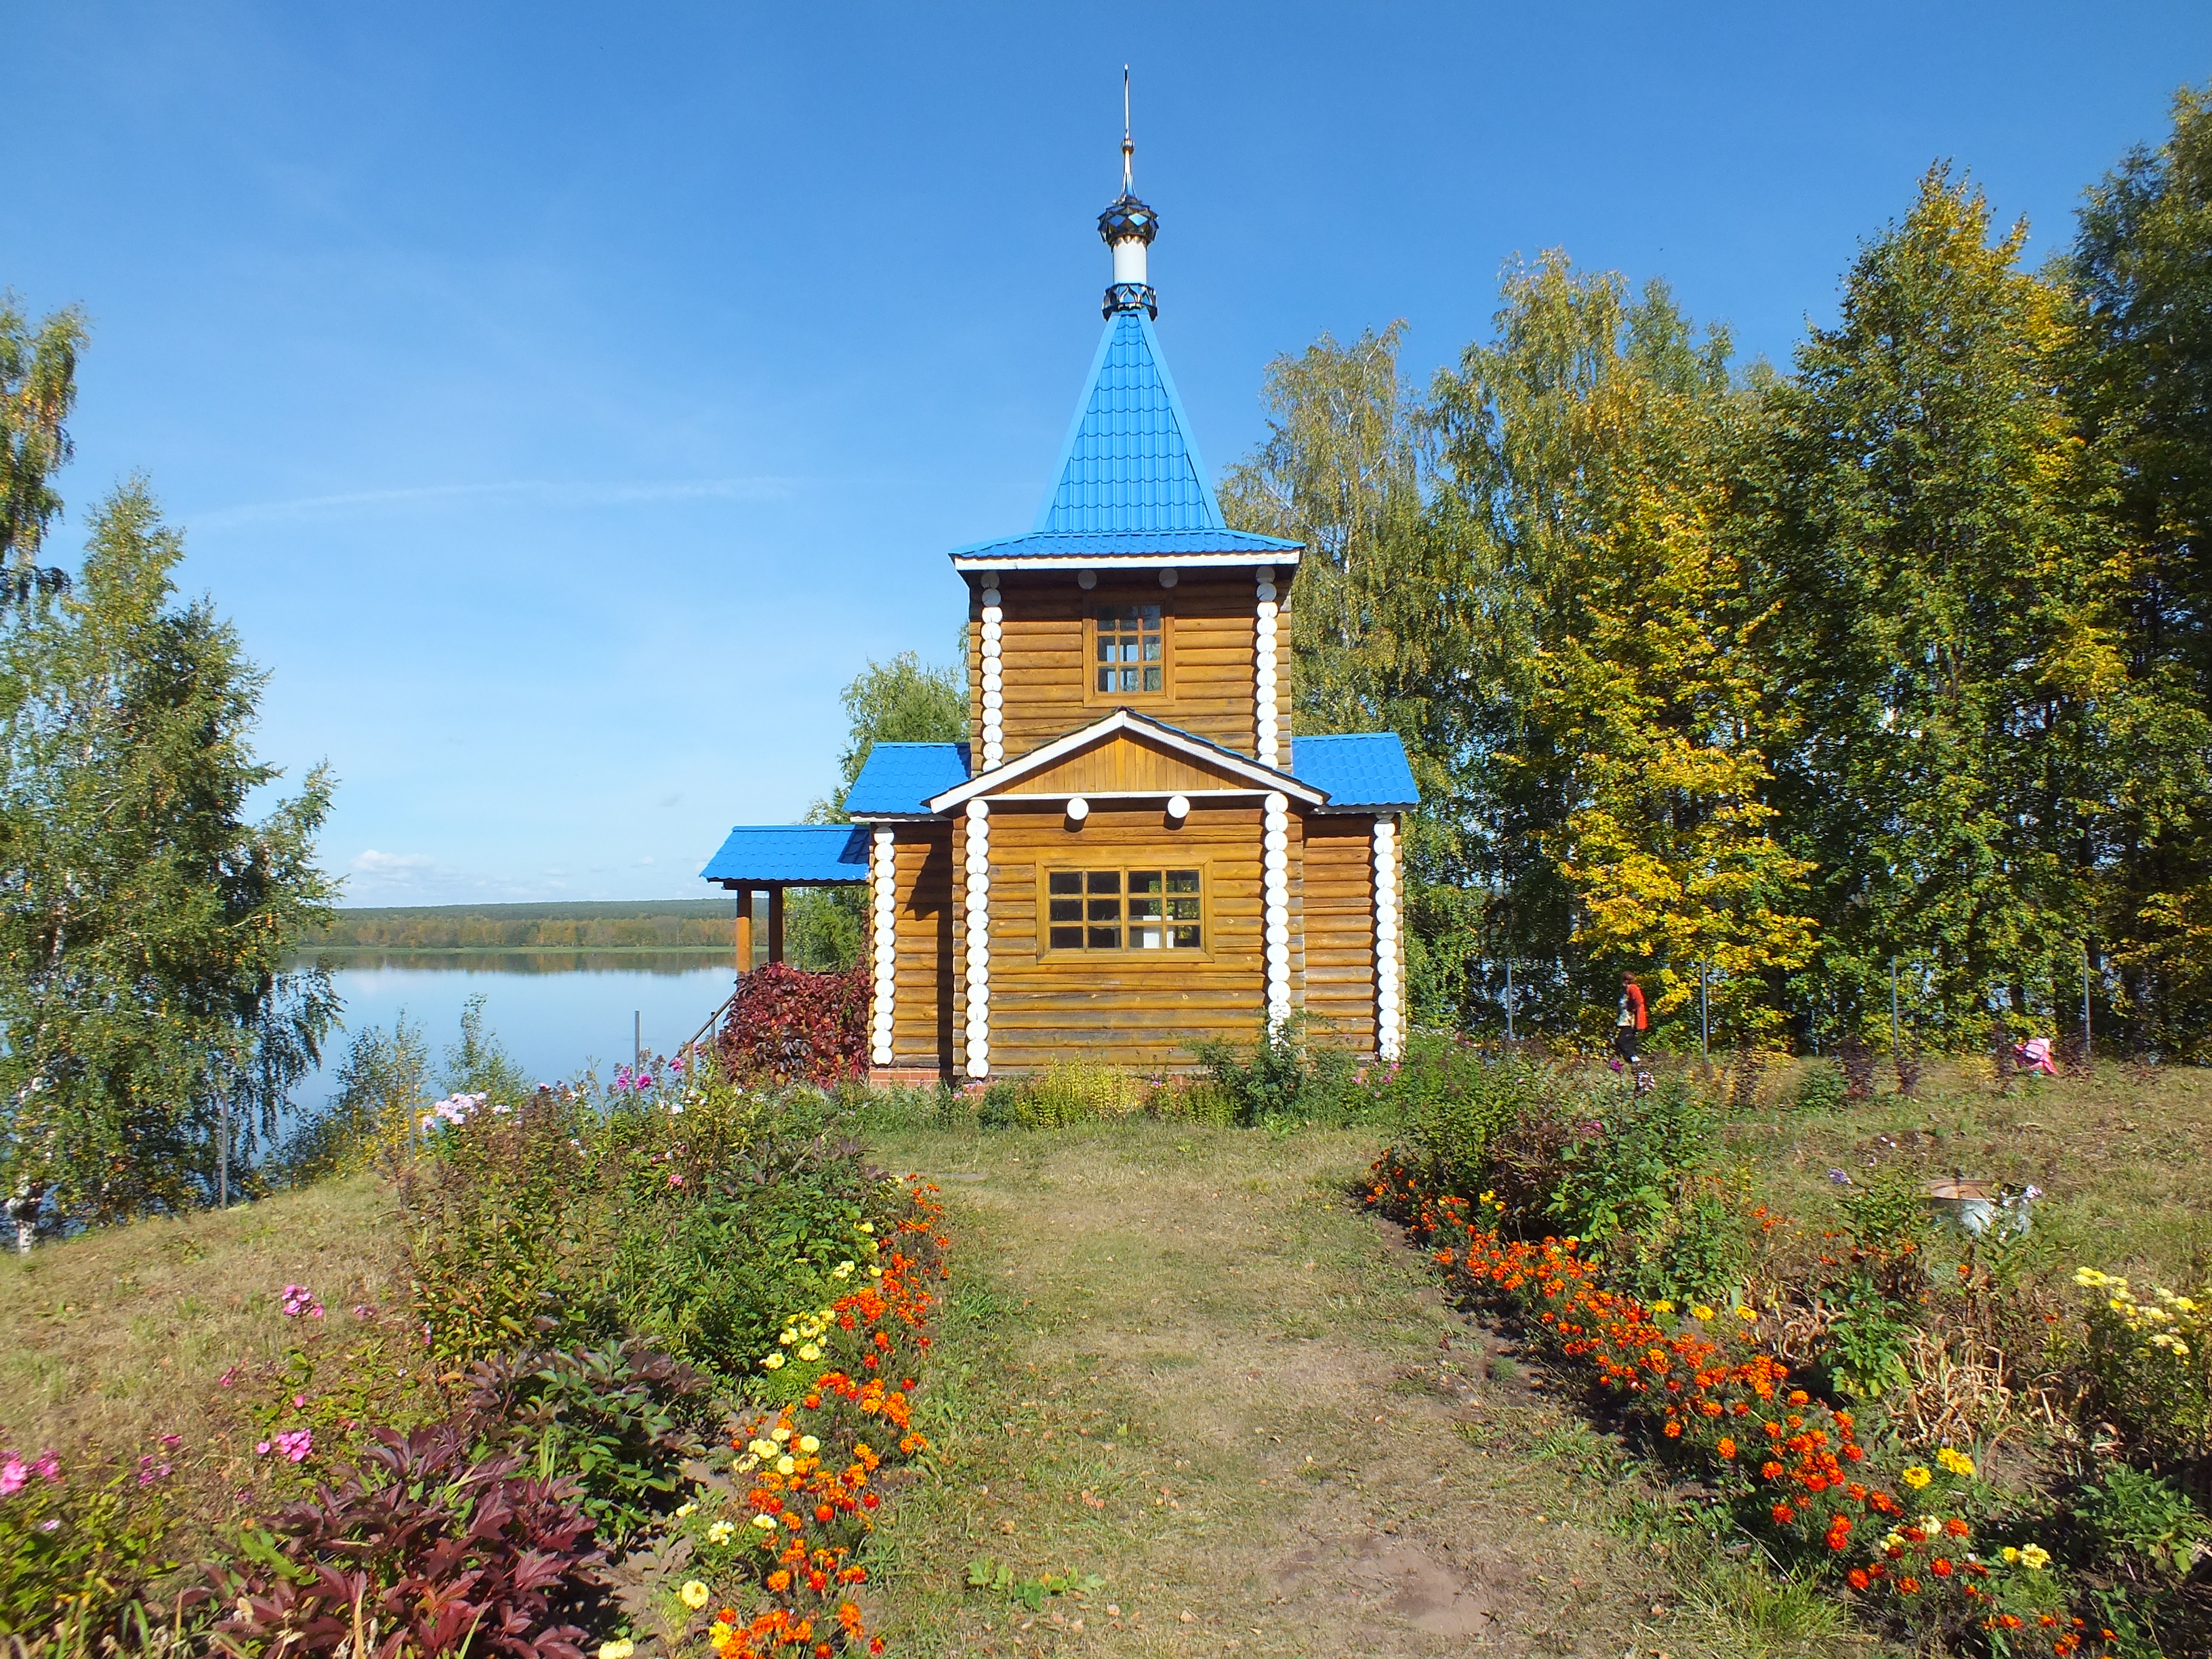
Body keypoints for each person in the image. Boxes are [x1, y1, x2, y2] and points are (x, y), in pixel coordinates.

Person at [1614, 972, 1647, 1067]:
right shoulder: (1627, 990)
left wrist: (1631, 1007)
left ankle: (1634, 1059)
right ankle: (1634, 1064)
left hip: (1630, 1021)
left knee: (1621, 1041)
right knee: (1629, 1042)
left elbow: (1639, 1001)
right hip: (1625, 1021)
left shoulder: (1633, 988)